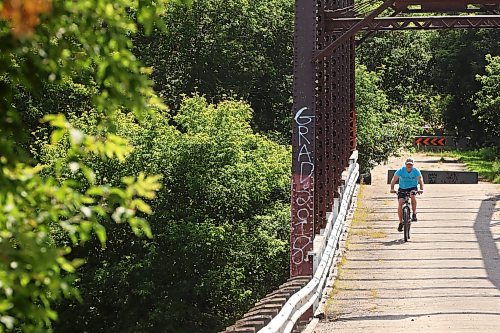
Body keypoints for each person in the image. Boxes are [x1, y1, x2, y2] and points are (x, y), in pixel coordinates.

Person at [390, 158, 424, 232]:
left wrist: (421, 189)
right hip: (402, 188)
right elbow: (394, 179)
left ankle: (414, 213)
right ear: (405, 164)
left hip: (412, 187)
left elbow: (420, 180)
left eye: (410, 165)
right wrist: (392, 188)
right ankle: (400, 222)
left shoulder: (416, 171)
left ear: (412, 165)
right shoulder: (401, 171)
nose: (409, 166)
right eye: (408, 164)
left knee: (413, 196)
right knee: (400, 202)